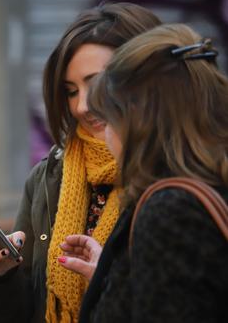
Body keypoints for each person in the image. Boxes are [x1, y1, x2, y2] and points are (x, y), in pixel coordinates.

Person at [0, 2, 162, 323]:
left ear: (146, 78)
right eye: (71, 91)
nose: (83, 106)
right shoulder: (48, 176)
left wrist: (109, 283)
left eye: (98, 83)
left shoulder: (179, 174)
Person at [64, 23, 228, 322]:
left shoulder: (171, 212)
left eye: (109, 119)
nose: (106, 134)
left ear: (139, 122)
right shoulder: (210, 179)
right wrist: (117, 273)